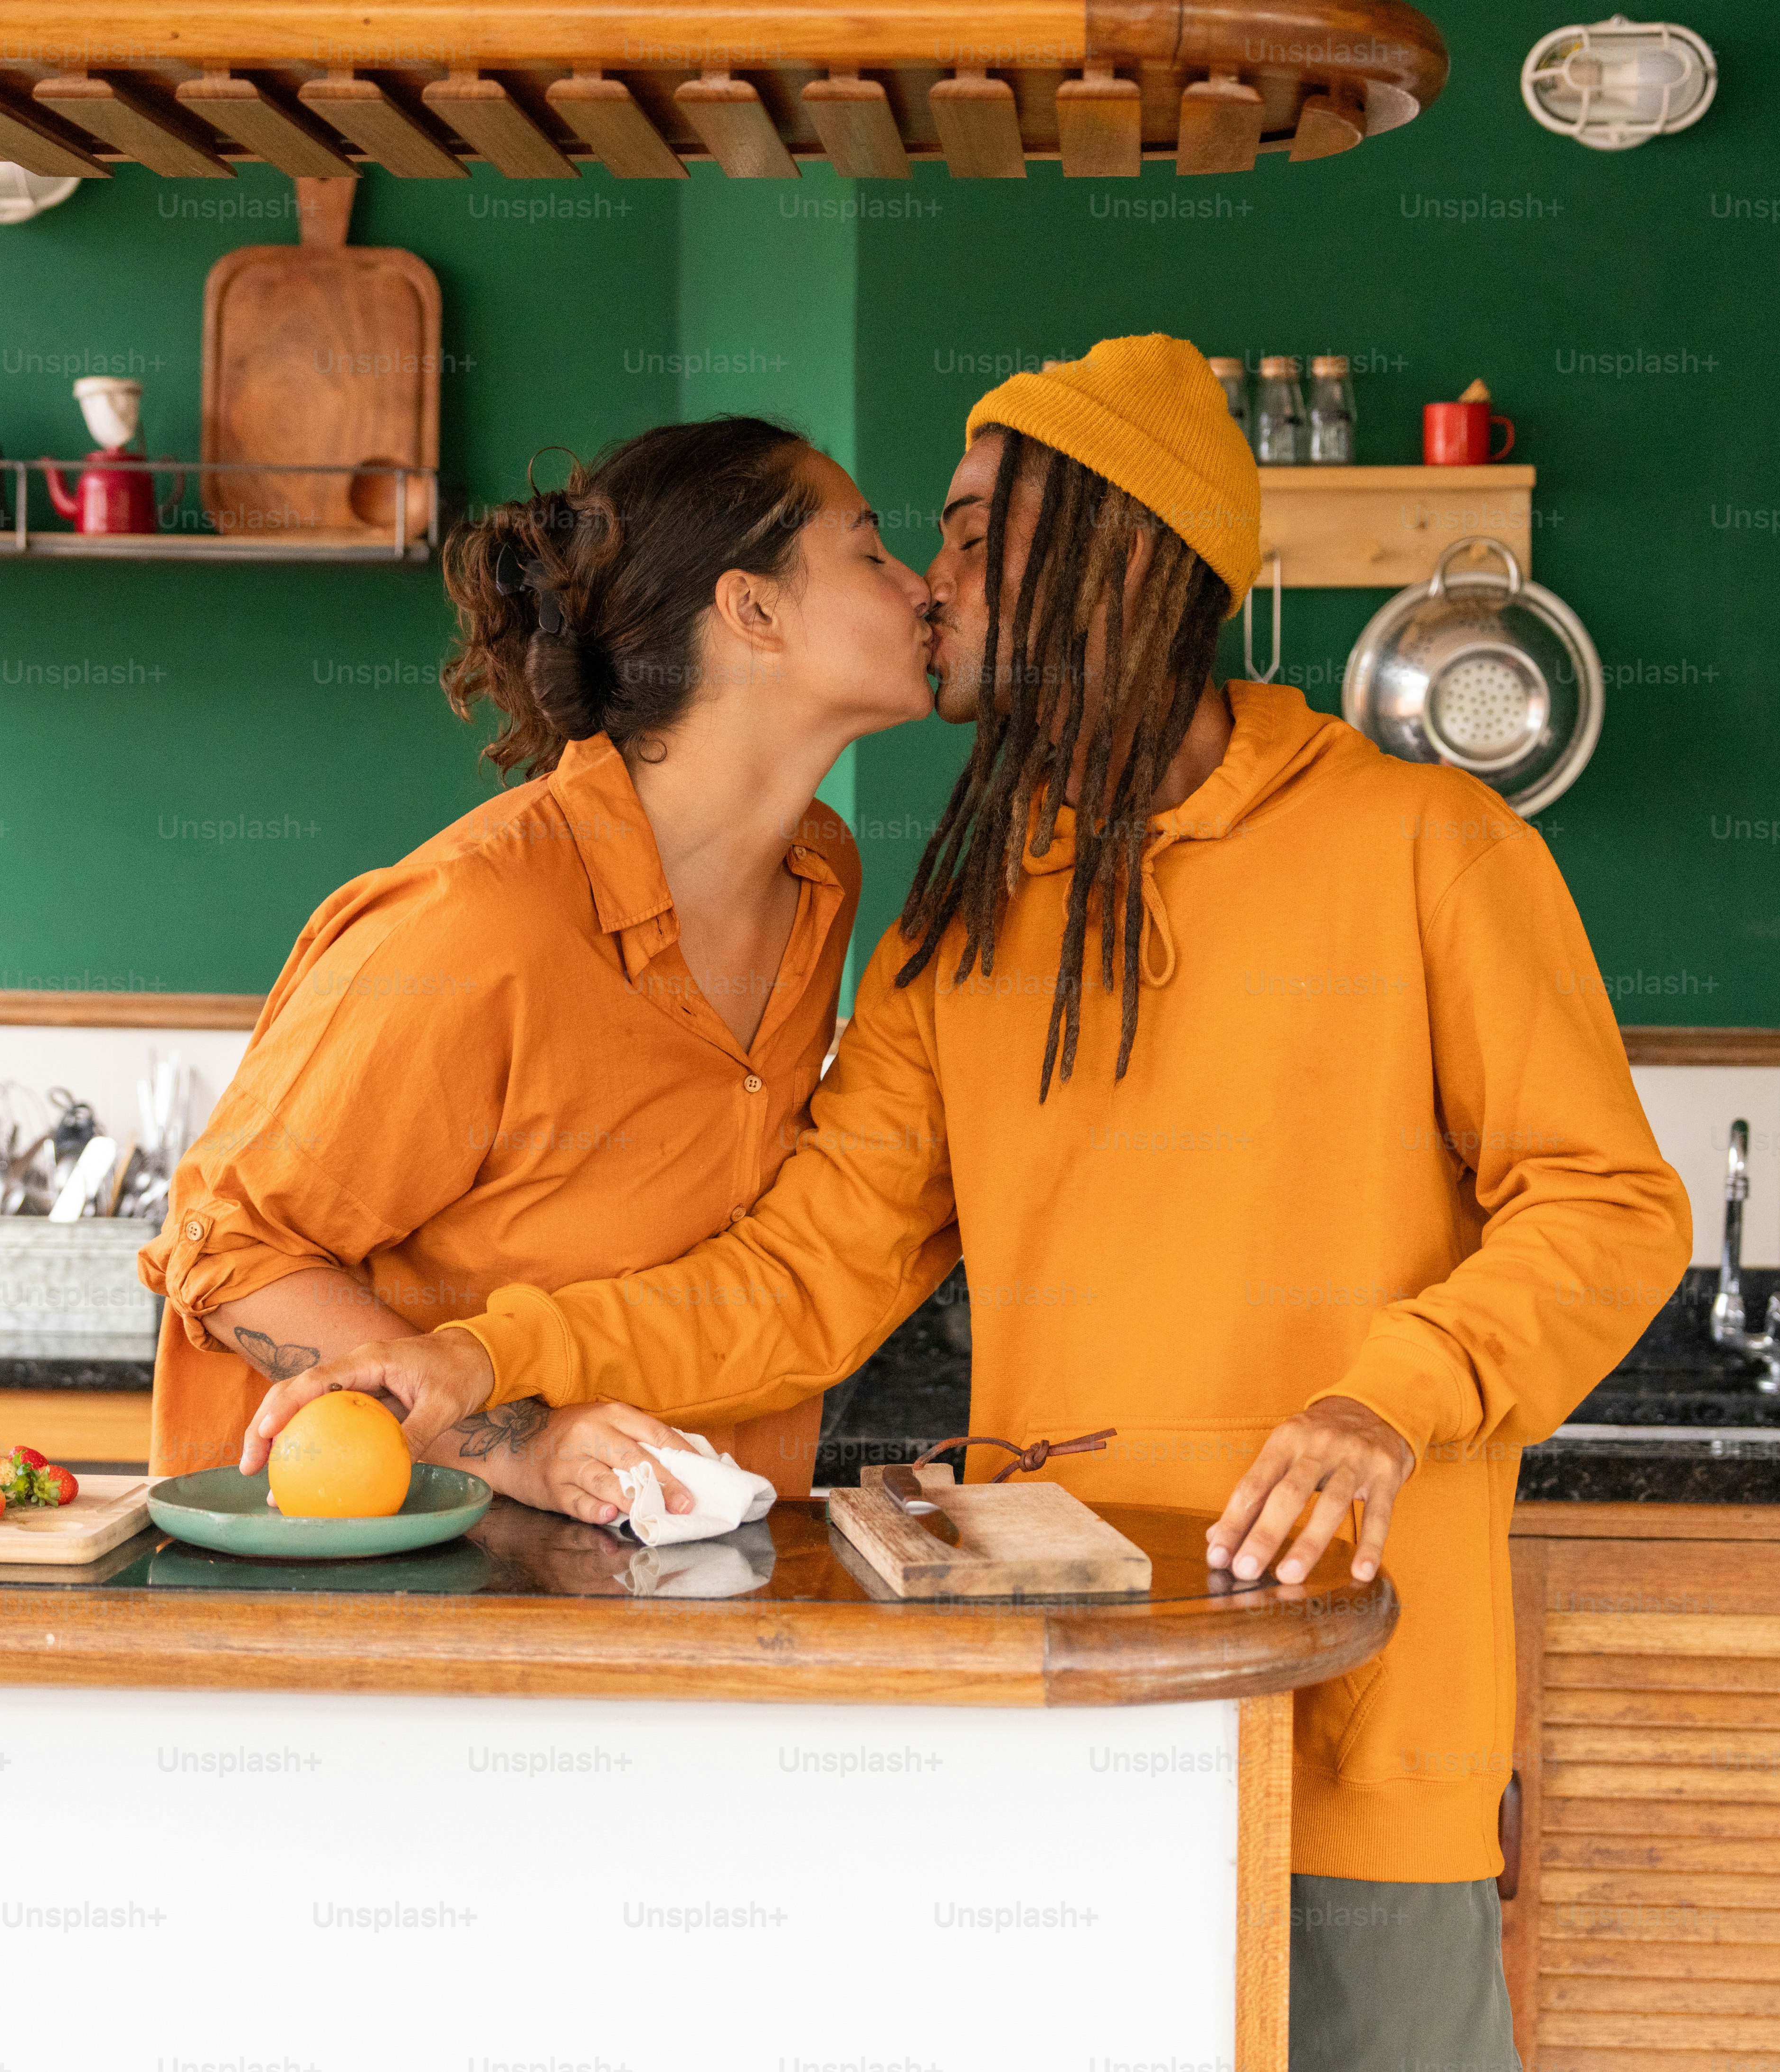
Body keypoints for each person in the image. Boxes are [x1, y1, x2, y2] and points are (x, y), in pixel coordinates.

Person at [257, 336, 1694, 2070]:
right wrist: (484, 1355)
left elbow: (1605, 1206)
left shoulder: (1427, 849)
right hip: (1057, 1704)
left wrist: (1385, 1400)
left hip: (1352, 1733)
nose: (933, 584)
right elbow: (796, 1278)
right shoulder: (961, 921)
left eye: (972, 536)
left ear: (1130, 552)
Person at [139, 415, 945, 1521]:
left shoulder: (819, 877)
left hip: (670, 1567)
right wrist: (516, 1444)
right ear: (753, 609)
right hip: (404, 1581)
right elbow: (226, 1244)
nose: (921, 587)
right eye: (871, 553)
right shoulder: (483, 921)